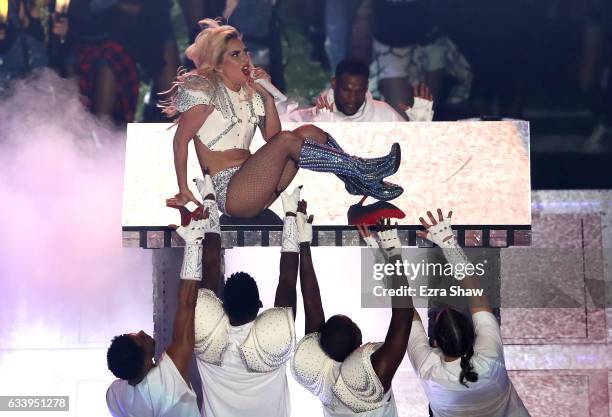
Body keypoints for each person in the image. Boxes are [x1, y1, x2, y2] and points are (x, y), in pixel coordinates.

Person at [161, 19, 404, 220]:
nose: (245, 58)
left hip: (261, 185)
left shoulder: (250, 93)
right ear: (219, 63)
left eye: (245, 52)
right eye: (236, 54)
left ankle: (357, 182)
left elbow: (272, 138)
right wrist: (183, 189)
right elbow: (180, 141)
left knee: (309, 132)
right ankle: (361, 169)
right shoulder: (205, 93)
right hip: (231, 194)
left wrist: (266, 96)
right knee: (290, 140)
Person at [106, 177, 221, 417]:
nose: (141, 332)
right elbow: (187, 304)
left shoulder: (116, 395)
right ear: (146, 361)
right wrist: (194, 243)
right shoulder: (165, 383)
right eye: (140, 338)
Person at [191, 186, 305, 417]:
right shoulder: (273, 339)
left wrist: (291, 215)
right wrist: (209, 200)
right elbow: (287, 281)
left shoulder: (207, 336)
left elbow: (212, 267)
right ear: (260, 305)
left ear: (222, 305)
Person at [408, 209, 531, 417]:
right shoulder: (429, 370)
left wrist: (446, 242)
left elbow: (403, 315)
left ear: (436, 343)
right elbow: (404, 313)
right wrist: (386, 255)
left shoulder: (490, 356)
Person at [291, 212, 414, 416]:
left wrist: (304, 244)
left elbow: (311, 302)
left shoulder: (320, 371)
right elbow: (404, 315)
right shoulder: (375, 374)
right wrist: (392, 253)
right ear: (360, 343)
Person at [289, 57, 434, 123]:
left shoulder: (384, 115)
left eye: (359, 91)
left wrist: (420, 127)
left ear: (366, 87)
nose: (352, 98)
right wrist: (321, 129)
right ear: (334, 83)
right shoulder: (316, 116)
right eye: (346, 90)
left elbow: (410, 150)